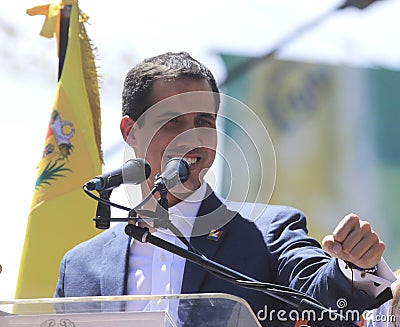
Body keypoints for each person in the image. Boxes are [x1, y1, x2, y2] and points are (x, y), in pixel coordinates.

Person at [55, 51, 395, 326]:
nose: (193, 137)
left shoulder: (269, 231)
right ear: (130, 131)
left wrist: (352, 267)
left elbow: (321, 296)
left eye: (204, 121)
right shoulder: (80, 266)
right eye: (174, 122)